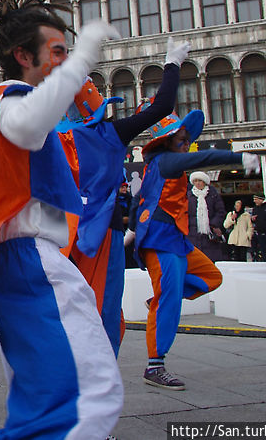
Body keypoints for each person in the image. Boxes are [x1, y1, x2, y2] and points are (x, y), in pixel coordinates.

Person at [0, 0, 123, 439]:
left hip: (16, 259)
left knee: (43, 395)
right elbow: (27, 123)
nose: (64, 60)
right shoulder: (11, 98)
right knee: (82, 395)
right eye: (57, 51)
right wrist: (83, 57)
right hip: (28, 259)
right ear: (25, 56)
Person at [55, 37, 187, 357]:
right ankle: (98, 365)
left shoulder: (54, 138)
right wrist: (172, 64)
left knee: (71, 301)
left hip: (66, 232)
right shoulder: (111, 133)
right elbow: (162, 107)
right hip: (105, 230)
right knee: (105, 301)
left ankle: (72, 363)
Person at [133, 103, 259, 391]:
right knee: (169, 300)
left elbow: (138, 200)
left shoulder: (162, 163)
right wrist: (238, 157)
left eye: (187, 139)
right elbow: (203, 158)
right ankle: (155, 366)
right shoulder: (165, 161)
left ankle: (162, 299)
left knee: (212, 276)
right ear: (166, 141)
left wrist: (131, 231)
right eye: (181, 139)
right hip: (160, 240)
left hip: (175, 240)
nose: (186, 144)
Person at [186, 171, 227, 263]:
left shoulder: (213, 195)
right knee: (194, 260)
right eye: (195, 181)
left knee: (210, 259)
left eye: (200, 181)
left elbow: (220, 211)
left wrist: (213, 224)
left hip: (209, 232)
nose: (198, 183)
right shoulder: (188, 196)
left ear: (204, 182)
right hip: (192, 232)